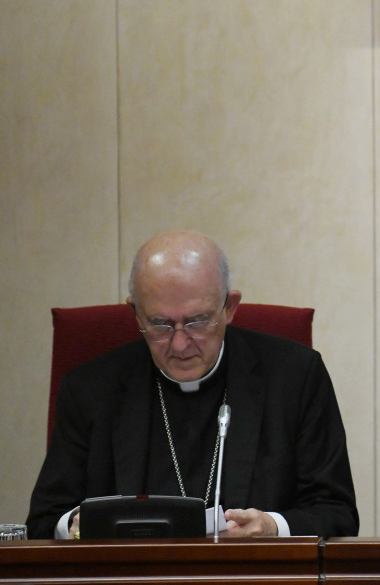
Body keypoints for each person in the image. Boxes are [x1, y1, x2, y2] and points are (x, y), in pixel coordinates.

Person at [26, 230, 358, 539]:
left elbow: (337, 513)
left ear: (230, 307)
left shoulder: (295, 376)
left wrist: (272, 527)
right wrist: (75, 525)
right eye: (160, 324)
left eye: (197, 321)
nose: (180, 344)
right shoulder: (90, 389)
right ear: (136, 314)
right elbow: (44, 520)